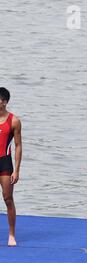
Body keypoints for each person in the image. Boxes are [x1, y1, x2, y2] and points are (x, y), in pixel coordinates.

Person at [0, 87, 22, 247]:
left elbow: (18, 145)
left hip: (4, 162)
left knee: (8, 199)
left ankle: (12, 234)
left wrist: (17, 170)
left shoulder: (14, 121)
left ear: (5, 102)